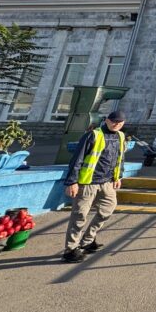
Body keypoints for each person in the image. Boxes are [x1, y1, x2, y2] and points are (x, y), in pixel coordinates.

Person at [61, 110, 127, 263]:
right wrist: (72, 182)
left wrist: (118, 177)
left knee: (107, 209)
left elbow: (120, 158)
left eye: (120, 122)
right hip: (88, 183)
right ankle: (70, 249)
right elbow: (77, 158)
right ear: (107, 120)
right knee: (79, 215)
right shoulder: (93, 135)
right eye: (114, 121)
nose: (116, 124)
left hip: (107, 182)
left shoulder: (120, 136)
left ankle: (88, 240)